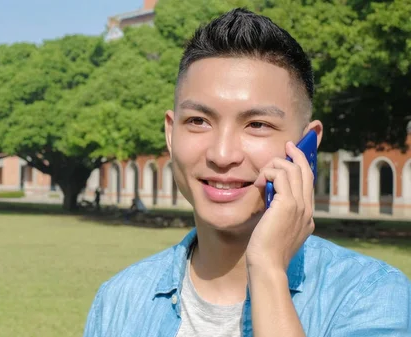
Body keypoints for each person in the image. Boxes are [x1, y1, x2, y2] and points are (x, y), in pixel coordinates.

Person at [82, 8, 410, 337]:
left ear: (307, 144)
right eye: (198, 121)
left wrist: (268, 271)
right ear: (171, 133)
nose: (222, 155)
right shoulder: (119, 300)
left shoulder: (369, 296)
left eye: (257, 125)